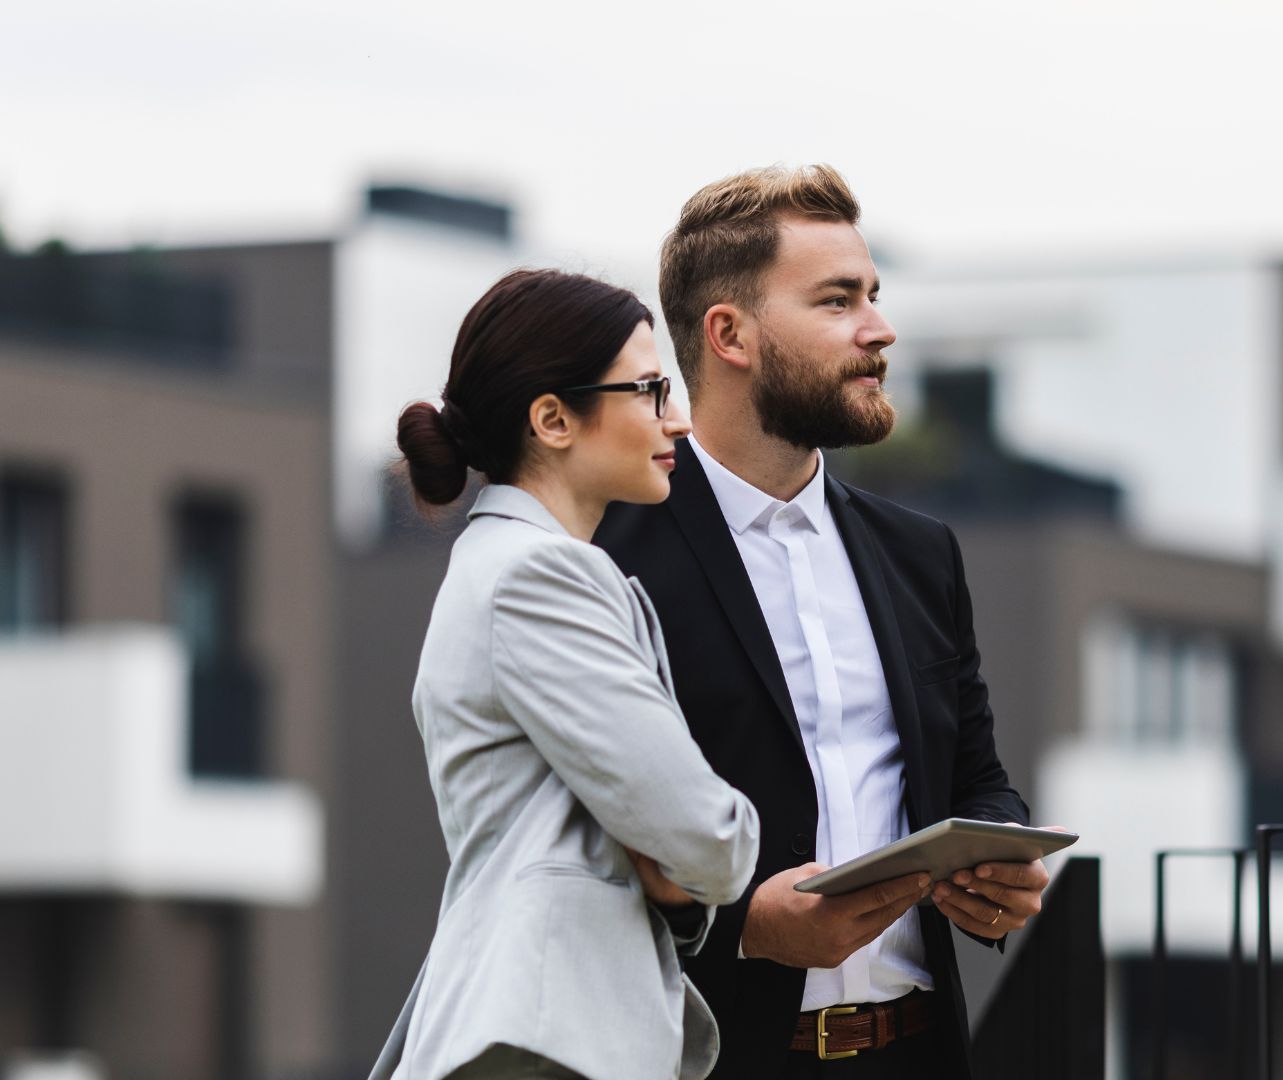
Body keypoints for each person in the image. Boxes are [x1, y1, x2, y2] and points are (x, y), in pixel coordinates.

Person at [594, 166, 1046, 1080]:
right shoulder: (607, 554)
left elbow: (980, 781)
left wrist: (997, 863)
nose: (879, 329)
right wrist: (747, 930)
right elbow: (568, 848)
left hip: (918, 1055)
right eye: (838, 301)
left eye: (874, 296)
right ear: (730, 334)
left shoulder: (922, 554)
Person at [373, 269, 761, 1080]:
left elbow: (676, 860)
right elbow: (708, 838)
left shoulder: (506, 567)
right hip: (546, 1042)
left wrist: (678, 879)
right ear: (552, 419)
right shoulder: (537, 578)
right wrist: (696, 856)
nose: (679, 420)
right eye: (651, 391)